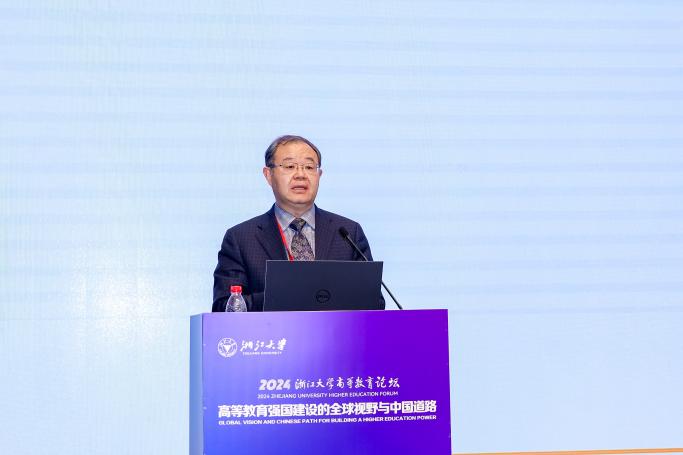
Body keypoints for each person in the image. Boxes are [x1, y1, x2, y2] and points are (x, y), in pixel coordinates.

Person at [212, 135, 378, 312]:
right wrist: (287, 295)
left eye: (309, 167)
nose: (300, 175)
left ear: (319, 175)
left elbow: (374, 301)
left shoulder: (347, 233)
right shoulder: (241, 239)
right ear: (268, 175)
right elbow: (224, 307)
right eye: (290, 166)